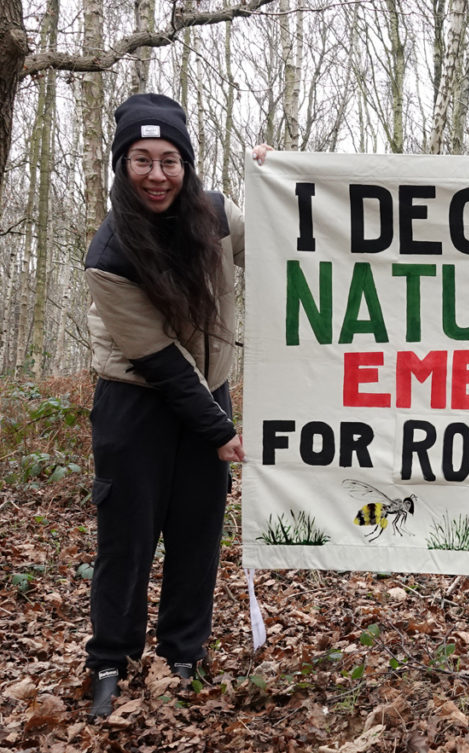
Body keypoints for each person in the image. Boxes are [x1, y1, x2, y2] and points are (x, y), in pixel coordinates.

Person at [83, 92, 271, 718]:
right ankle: (111, 659)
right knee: (126, 540)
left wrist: (280, 183)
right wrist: (220, 428)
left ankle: (184, 654)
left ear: (186, 164)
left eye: (169, 160)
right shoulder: (110, 251)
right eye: (141, 160)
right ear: (123, 164)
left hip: (207, 398)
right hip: (135, 402)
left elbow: (280, 249)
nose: (157, 175)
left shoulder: (217, 216)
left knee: (197, 534)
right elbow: (157, 356)